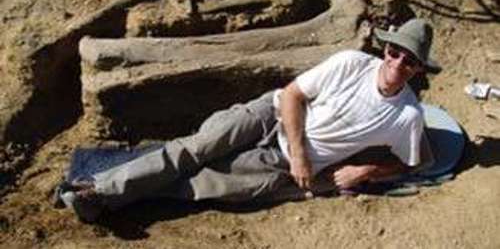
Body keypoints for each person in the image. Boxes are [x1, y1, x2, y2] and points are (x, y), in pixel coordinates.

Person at [57, 18, 436, 222]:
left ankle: (96, 191)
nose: (398, 63)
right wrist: (302, 150)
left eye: (409, 61)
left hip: (285, 164)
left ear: (418, 70)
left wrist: (365, 171)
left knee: (207, 183)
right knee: (195, 148)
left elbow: (417, 162)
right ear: (385, 48)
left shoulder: (407, 116)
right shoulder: (351, 62)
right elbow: (292, 95)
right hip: (270, 116)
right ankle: (100, 192)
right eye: (394, 52)